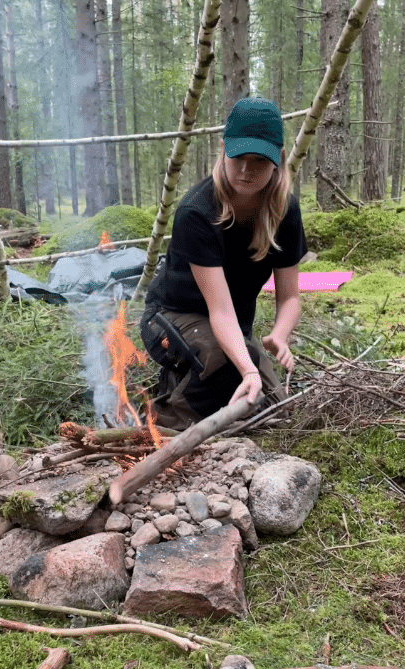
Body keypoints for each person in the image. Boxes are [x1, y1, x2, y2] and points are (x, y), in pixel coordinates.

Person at [140, 97, 308, 430]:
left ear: (280, 159)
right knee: (223, 361)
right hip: (168, 319)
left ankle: (189, 384)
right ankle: (165, 425)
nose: (247, 169)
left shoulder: (284, 211)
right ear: (222, 150)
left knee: (271, 404)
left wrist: (279, 334)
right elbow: (219, 309)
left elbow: (290, 297)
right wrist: (246, 368)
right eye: (239, 157)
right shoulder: (197, 212)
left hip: (229, 327)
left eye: (259, 160)